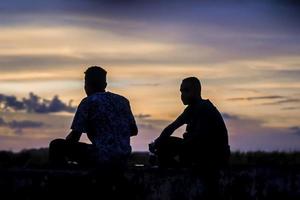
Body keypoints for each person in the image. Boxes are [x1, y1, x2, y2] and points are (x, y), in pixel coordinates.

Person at [49, 66, 138, 168]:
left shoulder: (89, 102)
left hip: (101, 157)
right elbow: (133, 131)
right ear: (105, 84)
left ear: (86, 85)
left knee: (56, 145)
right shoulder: (123, 101)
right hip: (123, 157)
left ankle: (57, 180)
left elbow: (74, 137)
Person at [149, 77, 230, 168]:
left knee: (167, 146)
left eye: (186, 91)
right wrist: (157, 142)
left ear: (196, 91)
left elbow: (199, 139)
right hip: (199, 150)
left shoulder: (204, 108)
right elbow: (172, 127)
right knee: (163, 144)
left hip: (213, 155)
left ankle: (180, 171)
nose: (182, 95)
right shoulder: (191, 109)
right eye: (181, 91)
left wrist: (165, 145)